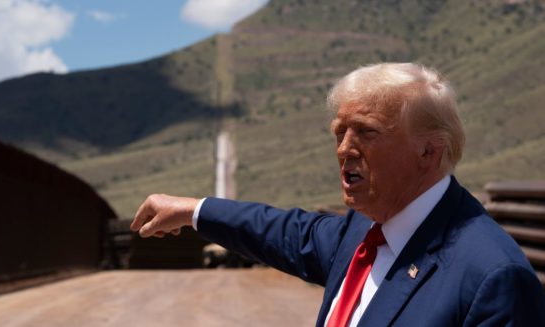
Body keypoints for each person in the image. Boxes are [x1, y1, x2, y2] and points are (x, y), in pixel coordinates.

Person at [131, 63, 545, 326]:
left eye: (366, 132)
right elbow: (287, 233)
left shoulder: (492, 277)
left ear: (428, 151)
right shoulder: (367, 230)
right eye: (339, 133)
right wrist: (193, 210)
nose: (344, 149)